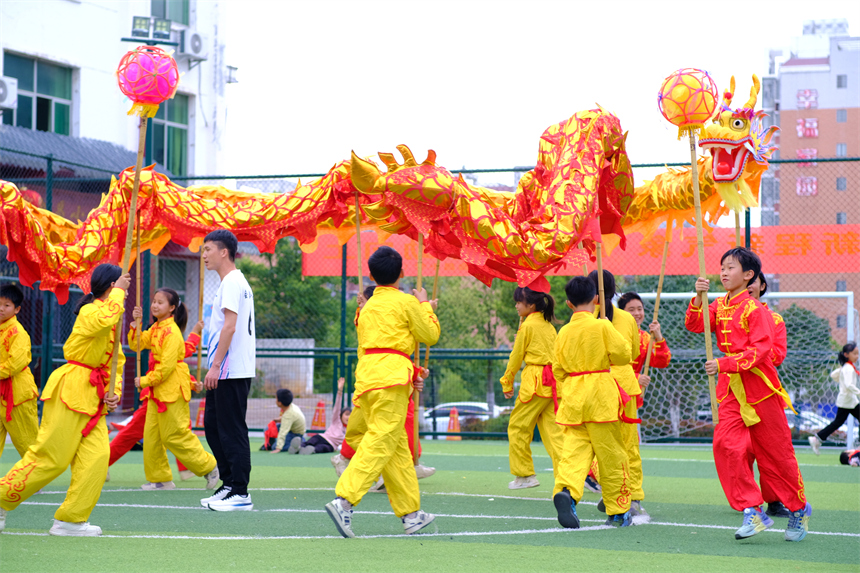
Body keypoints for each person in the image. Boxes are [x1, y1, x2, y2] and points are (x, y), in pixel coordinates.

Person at [686, 247, 811, 541]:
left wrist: (724, 363)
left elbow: (762, 351)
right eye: (722, 268)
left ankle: (798, 509)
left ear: (749, 275)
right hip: (731, 389)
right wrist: (698, 297)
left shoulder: (757, 311)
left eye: (730, 268)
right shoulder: (719, 304)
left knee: (776, 455)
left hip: (760, 388)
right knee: (726, 445)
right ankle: (752, 510)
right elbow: (695, 325)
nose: (724, 273)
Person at [0, 264, 128, 536]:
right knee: (50, 458)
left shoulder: (112, 316)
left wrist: (113, 390)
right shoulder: (91, 310)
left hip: (93, 397)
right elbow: (103, 319)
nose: (125, 292)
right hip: (71, 389)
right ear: (110, 285)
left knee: (97, 457)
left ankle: (71, 519)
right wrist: (118, 293)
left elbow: (116, 360)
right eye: (120, 285)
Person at [325, 245, 439, 538]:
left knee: (397, 448)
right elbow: (429, 335)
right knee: (382, 441)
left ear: (373, 275)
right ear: (402, 274)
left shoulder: (366, 307)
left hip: (368, 378)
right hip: (391, 380)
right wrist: (425, 305)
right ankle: (344, 500)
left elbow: (372, 346)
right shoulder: (406, 302)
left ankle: (411, 514)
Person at [331, 285, 435, 485]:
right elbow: (391, 347)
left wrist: (415, 372)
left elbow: (394, 349)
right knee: (367, 432)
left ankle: (400, 477)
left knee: (393, 432)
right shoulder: (369, 316)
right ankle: (352, 480)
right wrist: (424, 307)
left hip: (392, 378)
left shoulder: (384, 314)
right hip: (374, 380)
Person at [552, 276, 633, 529]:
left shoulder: (563, 331)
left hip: (574, 397)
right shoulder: (602, 325)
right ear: (597, 299)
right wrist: (607, 328)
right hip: (601, 397)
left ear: (568, 303)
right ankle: (618, 511)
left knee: (574, 453)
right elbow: (624, 355)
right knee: (611, 454)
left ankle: (567, 491)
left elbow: (557, 369)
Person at [128, 288, 219, 491]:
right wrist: (135, 324)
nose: (154, 305)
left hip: (171, 389)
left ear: (171, 308)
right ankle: (160, 479)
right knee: (151, 437)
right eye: (154, 301)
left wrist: (144, 381)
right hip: (156, 391)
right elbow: (137, 344)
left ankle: (210, 467)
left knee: (175, 434)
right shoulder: (155, 328)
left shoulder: (172, 332)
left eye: (160, 302)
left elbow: (167, 367)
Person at [199, 230, 256, 512]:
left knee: (231, 429)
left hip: (230, 370)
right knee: (213, 426)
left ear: (224, 252)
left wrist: (217, 365)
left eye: (208, 249)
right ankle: (229, 484)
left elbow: (230, 326)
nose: (204, 255)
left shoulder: (233, 281)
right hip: (225, 370)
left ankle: (240, 491)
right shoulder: (231, 281)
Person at [107, 318, 206, 481]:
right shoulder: (162, 337)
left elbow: (181, 355)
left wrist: (193, 383)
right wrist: (195, 332)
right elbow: (181, 354)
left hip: (167, 390)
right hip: (157, 392)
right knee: (134, 432)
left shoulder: (166, 334)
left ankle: (184, 468)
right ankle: (103, 462)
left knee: (177, 429)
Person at [588, 271, 648, 519]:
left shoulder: (584, 319)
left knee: (601, 444)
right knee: (629, 446)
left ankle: (614, 494)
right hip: (624, 384)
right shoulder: (627, 319)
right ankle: (632, 498)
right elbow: (633, 351)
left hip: (597, 384)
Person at [499, 286, 562, 490]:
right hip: (552, 384)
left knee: (518, 427)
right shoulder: (548, 326)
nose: (516, 306)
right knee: (555, 434)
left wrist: (507, 381)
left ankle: (525, 475)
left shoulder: (527, 327)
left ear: (531, 305)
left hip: (535, 383)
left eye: (519, 302)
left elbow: (516, 357)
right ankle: (570, 476)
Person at [742, 273, 791, 519]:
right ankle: (748, 501)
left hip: (763, 389)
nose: (749, 286)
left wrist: (754, 354)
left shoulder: (775, 319)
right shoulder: (728, 312)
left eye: (753, 282)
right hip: (734, 390)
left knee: (769, 449)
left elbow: (778, 354)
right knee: (738, 448)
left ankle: (773, 500)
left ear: (762, 286)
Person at [0, 284, 39, 462]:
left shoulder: (18, 333)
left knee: (27, 442)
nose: (1, 308)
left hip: (18, 396)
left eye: (6, 305)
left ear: (17, 309)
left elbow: (14, 364)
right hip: (2, 394)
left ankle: (35, 479)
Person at [617, 292, 672, 404]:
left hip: (633, 396)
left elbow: (662, 362)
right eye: (631, 309)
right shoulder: (614, 333)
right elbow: (609, 367)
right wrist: (636, 377)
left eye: (639, 309)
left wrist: (659, 337)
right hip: (613, 392)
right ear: (621, 313)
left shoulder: (646, 338)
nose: (637, 313)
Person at [809, 342, 859, 454]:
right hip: (847, 401)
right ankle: (817, 438)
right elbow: (849, 385)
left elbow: (833, 375)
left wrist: (841, 374)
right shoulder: (848, 368)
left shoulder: (847, 367)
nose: (857, 356)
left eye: (857, 353)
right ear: (846, 354)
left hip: (849, 401)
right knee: (837, 423)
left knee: (837, 422)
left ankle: (817, 438)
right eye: (854, 353)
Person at [291, 377, 349, 455]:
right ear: (341, 415)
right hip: (323, 437)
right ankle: (298, 447)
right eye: (347, 414)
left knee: (324, 448)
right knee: (313, 440)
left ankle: (310, 450)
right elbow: (337, 407)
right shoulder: (336, 421)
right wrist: (340, 391)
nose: (348, 417)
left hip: (331, 445)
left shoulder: (350, 430)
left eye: (351, 416)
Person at [269, 388, 306, 453]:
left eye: (276, 399)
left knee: (274, 447)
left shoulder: (288, 415)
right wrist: (279, 419)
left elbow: (283, 432)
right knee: (271, 428)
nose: (275, 400)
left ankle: (301, 444)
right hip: (293, 430)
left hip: (295, 433)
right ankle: (298, 441)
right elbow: (288, 417)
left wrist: (278, 448)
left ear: (280, 403)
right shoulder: (291, 406)